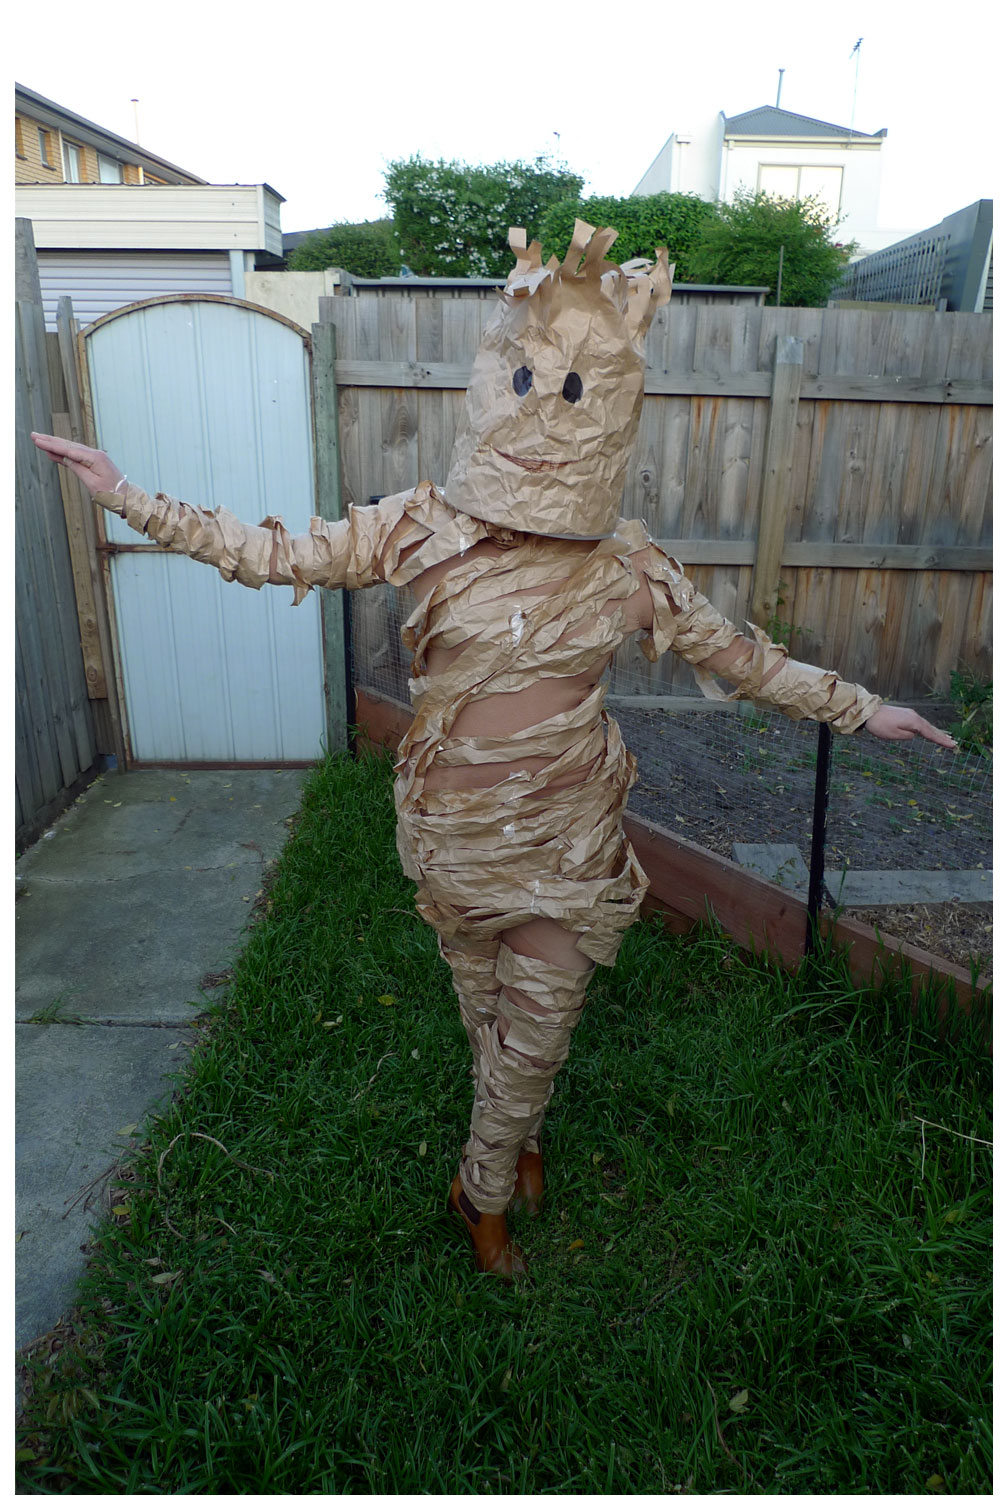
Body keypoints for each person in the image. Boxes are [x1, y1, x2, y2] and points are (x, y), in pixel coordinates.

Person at [31, 222, 953, 1282]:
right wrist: (127, 495)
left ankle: (480, 1188)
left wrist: (862, 708)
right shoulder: (417, 528)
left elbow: (741, 659)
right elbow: (271, 551)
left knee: (538, 1025)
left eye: (572, 394)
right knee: (490, 1023)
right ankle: (517, 1137)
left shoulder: (627, 568)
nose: (543, 412)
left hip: (567, 844)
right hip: (452, 842)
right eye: (527, 382)